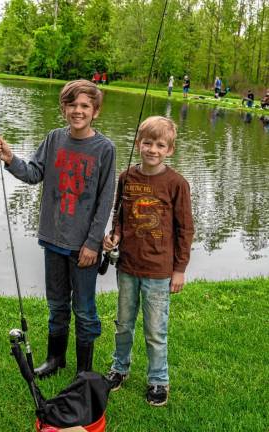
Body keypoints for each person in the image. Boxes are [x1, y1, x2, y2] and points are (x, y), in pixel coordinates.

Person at [0, 80, 116, 378]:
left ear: (95, 111)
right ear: (63, 108)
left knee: (84, 310)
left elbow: (105, 201)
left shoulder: (105, 149)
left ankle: (84, 371)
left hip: (84, 247)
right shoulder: (53, 139)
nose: (78, 110)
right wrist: (11, 159)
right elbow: (34, 173)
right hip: (53, 239)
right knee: (56, 305)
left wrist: (92, 243)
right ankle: (54, 359)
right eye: (72, 104)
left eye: (85, 105)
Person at [102, 116, 194, 407]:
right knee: (123, 324)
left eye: (160, 145)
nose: (152, 149)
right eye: (147, 143)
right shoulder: (126, 177)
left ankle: (158, 379)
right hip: (127, 266)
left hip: (159, 270)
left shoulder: (176, 183)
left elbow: (185, 229)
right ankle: (119, 369)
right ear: (138, 144)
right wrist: (113, 236)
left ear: (170, 150)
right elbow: (119, 216)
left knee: (155, 331)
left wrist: (179, 269)